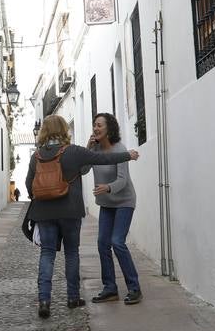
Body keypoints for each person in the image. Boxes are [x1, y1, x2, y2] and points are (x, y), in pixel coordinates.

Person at [24, 114, 138, 318]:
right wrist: (128, 155)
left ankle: (44, 300)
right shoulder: (74, 152)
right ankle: (72, 297)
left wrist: (41, 197)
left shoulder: (36, 156)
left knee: (47, 254)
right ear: (63, 130)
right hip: (70, 211)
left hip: (44, 212)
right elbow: (103, 158)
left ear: (44, 132)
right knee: (71, 253)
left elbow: (28, 184)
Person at [88, 113, 143, 305]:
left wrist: (107, 187)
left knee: (117, 242)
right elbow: (83, 170)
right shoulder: (94, 150)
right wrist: (88, 149)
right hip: (107, 204)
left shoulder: (119, 149)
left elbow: (123, 180)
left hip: (124, 201)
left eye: (100, 125)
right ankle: (110, 288)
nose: (96, 128)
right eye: (94, 125)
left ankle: (134, 288)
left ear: (109, 129)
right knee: (103, 243)